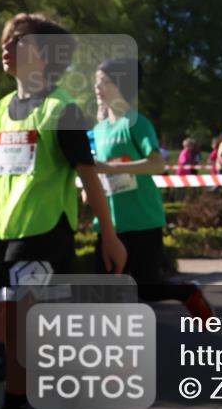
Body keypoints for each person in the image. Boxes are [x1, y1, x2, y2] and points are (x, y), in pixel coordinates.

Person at [0, 13, 127, 409]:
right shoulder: (0, 108)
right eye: (6, 41)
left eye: (19, 43)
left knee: (20, 328)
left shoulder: (62, 109)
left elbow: (88, 178)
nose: (7, 48)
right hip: (0, 234)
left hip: (44, 233)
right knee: (1, 328)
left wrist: (109, 235)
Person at [90, 58, 214, 317]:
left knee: (146, 288)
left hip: (142, 221)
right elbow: (97, 170)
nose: (97, 87)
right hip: (110, 224)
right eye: (96, 82)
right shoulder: (99, 130)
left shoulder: (136, 123)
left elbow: (157, 164)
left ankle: (187, 293)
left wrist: (111, 168)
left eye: (105, 82)